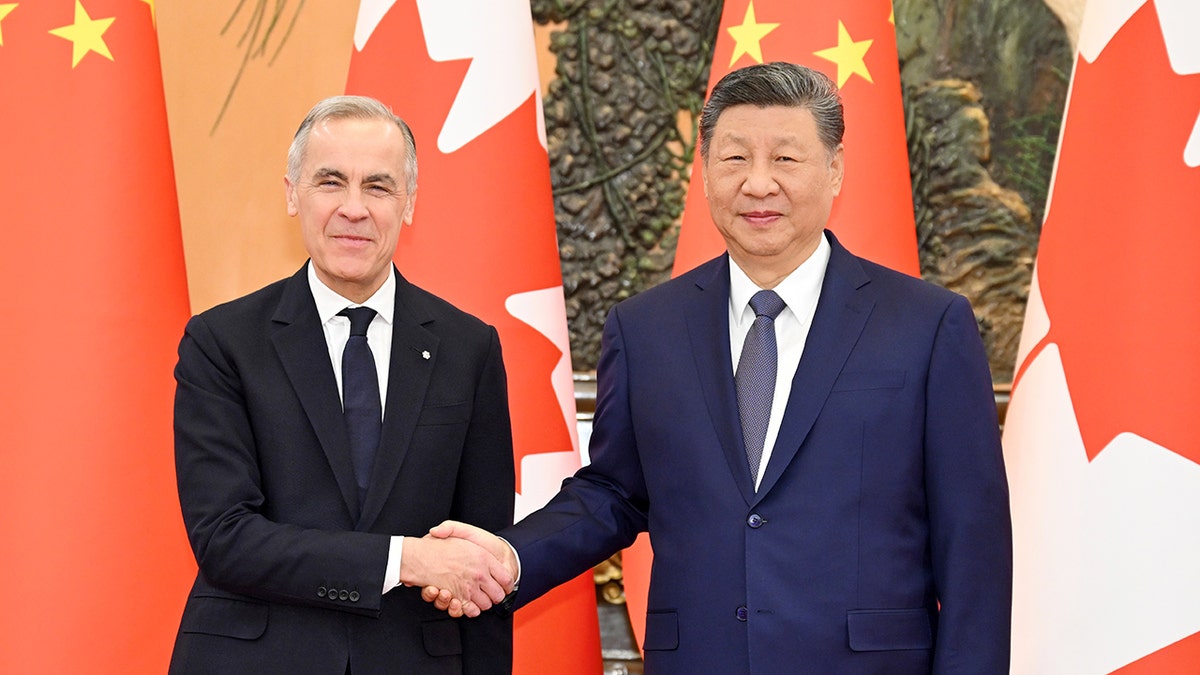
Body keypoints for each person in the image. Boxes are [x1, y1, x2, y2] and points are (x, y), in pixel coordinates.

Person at [427, 62, 1013, 673]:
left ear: (835, 170)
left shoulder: (928, 325)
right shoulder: (646, 328)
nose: (758, 184)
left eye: (786, 159)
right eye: (734, 159)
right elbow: (615, 493)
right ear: (705, 173)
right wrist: (509, 556)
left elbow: (973, 543)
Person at [169, 95, 516, 674]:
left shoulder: (468, 348)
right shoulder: (221, 341)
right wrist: (404, 559)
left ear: (408, 204)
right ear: (291, 193)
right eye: (330, 182)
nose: (353, 209)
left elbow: (480, 565)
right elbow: (225, 537)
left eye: (378, 187)